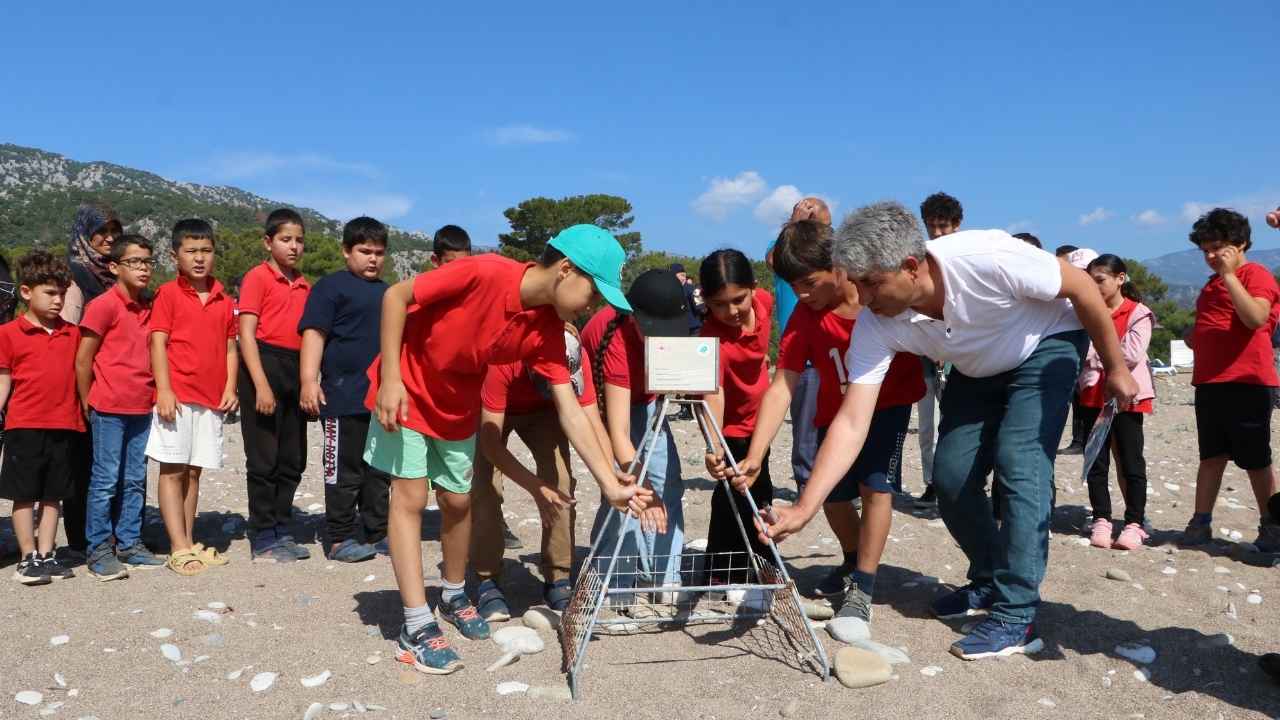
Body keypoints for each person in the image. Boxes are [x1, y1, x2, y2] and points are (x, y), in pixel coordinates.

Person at [762, 202, 1138, 660]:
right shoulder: (878, 321)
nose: (862, 296)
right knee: (952, 476)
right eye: (855, 282)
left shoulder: (985, 257)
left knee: (1019, 462)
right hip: (977, 365)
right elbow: (852, 419)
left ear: (910, 266)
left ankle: (1016, 615)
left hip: (1045, 343)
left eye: (871, 283)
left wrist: (1116, 366)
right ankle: (987, 579)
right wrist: (804, 507)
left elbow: (1080, 286)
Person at [366, 223, 650, 675]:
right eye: (595, 293)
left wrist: (609, 484)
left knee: (458, 503)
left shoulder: (549, 331)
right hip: (408, 389)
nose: (594, 305)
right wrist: (390, 379)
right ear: (566, 269)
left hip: (458, 405)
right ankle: (415, 625)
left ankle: (455, 592)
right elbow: (396, 296)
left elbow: (573, 411)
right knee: (411, 497)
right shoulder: (484, 272)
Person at [720, 220, 923, 637]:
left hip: (889, 406)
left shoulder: (877, 302)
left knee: (876, 486)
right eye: (794, 286)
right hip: (837, 413)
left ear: (840, 268)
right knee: (829, 493)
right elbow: (782, 385)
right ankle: (852, 557)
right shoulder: (805, 319)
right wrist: (756, 454)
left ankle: (863, 586)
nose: (803, 294)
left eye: (810, 283)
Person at [471, 322, 611, 618]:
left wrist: (612, 476)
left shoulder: (575, 351)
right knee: (485, 486)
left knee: (560, 479)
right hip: (494, 409)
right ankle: (487, 579)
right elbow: (491, 445)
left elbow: (590, 421)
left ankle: (558, 576)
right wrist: (534, 487)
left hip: (544, 411)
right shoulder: (504, 359)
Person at [581, 269, 691, 596]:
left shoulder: (671, 324)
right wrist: (643, 485)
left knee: (668, 478)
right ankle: (613, 580)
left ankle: (664, 573)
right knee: (623, 487)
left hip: (647, 400)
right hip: (602, 404)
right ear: (635, 318)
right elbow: (619, 434)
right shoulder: (615, 336)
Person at [1178, 208, 1280, 553]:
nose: (1210, 257)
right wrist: (1197, 334)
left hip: (1248, 382)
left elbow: (1255, 318)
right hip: (1210, 382)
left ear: (1240, 244)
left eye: (1217, 248)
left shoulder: (1257, 275)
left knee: (1256, 460)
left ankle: (1272, 525)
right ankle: (1200, 521)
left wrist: (1230, 276)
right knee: (1211, 456)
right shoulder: (1211, 284)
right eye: (1205, 250)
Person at [146, 219, 239, 576]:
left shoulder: (223, 297)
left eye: (206, 251)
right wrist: (164, 390)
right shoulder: (168, 294)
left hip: (210, 399)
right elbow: (158, 342)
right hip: (178, 396)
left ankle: (188, 539)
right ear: (175, 256)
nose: (199, 258)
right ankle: (177, 546)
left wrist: (230, 387)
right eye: (191, 251)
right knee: (172, 469)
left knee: (194, 471)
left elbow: (231, 348)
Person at [298, 216, 391, 563]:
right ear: (346, 251)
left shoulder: (388, 293)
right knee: (343, 470)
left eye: (379, 252)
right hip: (340, 396)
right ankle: (339, 537)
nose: (372, 259)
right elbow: (314, 333)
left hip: (378, 400)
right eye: (364, 251)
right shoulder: (331, 287)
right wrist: (309, 380)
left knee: (379, 471)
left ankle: (377, 532)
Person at [74, 235, 166, 579]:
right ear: (114, 267)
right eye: (135, 262)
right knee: (105, 480)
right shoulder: (103, 305)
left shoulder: (150, 305)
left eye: (148, 262)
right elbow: (83, 359)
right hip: (108, 408)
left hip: (142, 407)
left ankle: (129, 542)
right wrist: (87, 401)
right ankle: (98, 548)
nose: (143, 268)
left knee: (134, 480)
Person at [0, 251, 85, 585]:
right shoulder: (8, 333)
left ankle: (48, 553)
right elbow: (4, 376)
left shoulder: (73, 333)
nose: (58, 300)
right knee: (24, 494)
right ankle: (27, 557)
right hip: (24, 424)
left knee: (53, 495)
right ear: (25, 292)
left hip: (65, 423)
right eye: (50, 293)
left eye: (62, 293)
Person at [237, 209, 312, 562]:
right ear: (268, 242)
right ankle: (263, 532)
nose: (293, 246)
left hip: (295, 369)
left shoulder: (305, 284)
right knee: (264, 457)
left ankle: (283, 523)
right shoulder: (257, 277)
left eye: (299, 240)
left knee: (293, 457)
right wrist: (261, 385)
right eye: (285, 239)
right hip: (263, 364)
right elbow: (246, 334)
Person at [698, 250, 775, 584]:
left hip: (762, 420)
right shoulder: (709, 337)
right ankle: (719, 570)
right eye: (718, 304)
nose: (730, 311)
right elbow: (713, 392)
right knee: (730, 497)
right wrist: (714, 445)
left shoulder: (767, 304)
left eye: (738, 300)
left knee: (762, 492)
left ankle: (763, 564)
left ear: (754, 289)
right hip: (729, 425)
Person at [1078, 255, 1156, 550]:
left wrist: (1097, 359)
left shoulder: (1138, 313)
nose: (1095, 286)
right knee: (1095, 460)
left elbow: (1132, 354)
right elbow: (1079, 350)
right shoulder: (1085, 313)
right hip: (1091, 395)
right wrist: (1100, 359)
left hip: (1127, 398)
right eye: (1091, 280)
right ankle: (1101, 518)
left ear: (1120, 279)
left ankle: (1134, 523)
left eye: (1101, 280)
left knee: (1131, 460)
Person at [60, 202, 124, 559]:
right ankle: (82, 539)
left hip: (115, 381)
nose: (109, 238)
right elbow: (71, 335)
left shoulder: (114, 276)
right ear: (86, 233)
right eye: (102, 231)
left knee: (112, 462)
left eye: (114, 231)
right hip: (85, 380)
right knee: (85, 463)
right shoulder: (75, 277)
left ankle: (111, 533)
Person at [767, 198, 831, 507]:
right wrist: (793, 226)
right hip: (800, 352)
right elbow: (772, 259)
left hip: (831, 350)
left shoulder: (828, 254)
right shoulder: (783, 248)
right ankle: (807, 482)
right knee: (805, 421)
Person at [913, 192, 964, 507]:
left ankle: (960, 483)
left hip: (959, 358)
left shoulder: (965, 257)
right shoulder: (921, 258)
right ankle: (931, 482)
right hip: (925, 357)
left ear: (956, 225)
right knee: (926, 427)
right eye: (932, 226)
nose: (937, 233)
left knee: (957, 423)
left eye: (943, 226)